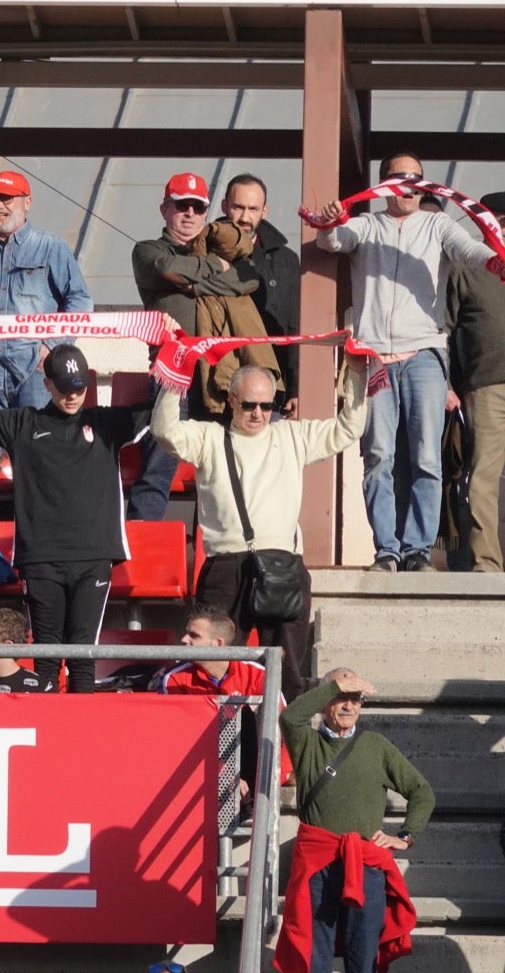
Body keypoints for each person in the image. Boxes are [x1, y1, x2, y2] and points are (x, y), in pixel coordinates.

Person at [0, 336, 151, 692]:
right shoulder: (23, 424)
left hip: (93, 557)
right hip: (42, 559)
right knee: (47, 658)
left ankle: (80, 744)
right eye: (64, 388)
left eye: (79, 387)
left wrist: (164, 351)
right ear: (46, 383)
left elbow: (159, 407)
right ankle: (48, 740)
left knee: (83, 656)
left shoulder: (107, 424)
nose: (72, 396)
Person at [316, 152, 498, 572]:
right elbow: (332, 240)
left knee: (427, 458)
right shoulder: (367, 225)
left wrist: (493, 259)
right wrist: (327, 221)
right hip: (374, 356)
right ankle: (387, 549)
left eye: (418, 178)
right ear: (384, 187)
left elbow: (468, 250)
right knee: (378, 455)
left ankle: (417, 549)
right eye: (402, 178)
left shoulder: (437, 225)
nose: (412, 185)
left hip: (424, 355)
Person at [151, 358, 367, 701]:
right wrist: (173, 377)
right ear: (231, 401)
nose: (258, 413)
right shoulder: (209, 436)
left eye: (267, 405)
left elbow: (349, 428)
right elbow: (164, 431)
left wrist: (356, 373)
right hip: (226, 566)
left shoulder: (291, 434)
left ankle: (283, 750)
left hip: (282, 567)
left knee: (285, 674)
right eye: (249, 404)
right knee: (211, 667)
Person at [0, 170, 93, 521]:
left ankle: (39, 546)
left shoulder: (50, 247)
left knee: (38, 465)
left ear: (27, 202)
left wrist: (53, 344)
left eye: (7, 199)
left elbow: (81, 300)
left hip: (35, 376)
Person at [275, 669, 433, 973]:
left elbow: (422, 792)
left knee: (362, 955)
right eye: (340, 697)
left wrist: (405, 835)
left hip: (365, 863)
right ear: (324, 702)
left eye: (355, 698)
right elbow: (290, 717)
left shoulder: (375, 745)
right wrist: (334, 685)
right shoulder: (306, 742)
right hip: (316, 863)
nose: (349, 706)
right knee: (314, 953)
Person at [128, 173, 261, 521]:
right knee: (157, 466)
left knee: (221, 470)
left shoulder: (226, 250)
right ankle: (137, 551)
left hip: (219, 373)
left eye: (197, 207)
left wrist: (191, 278)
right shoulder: (147, 250)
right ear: (164, 209)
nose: (189, 214)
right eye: (180, 205)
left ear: (206, 213)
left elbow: (247, 281)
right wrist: (214, 268)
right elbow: (165, 268)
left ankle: (218, 554)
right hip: (172, 375)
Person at [150, 608, 281, 803]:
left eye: (193, 635)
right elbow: (183, 739)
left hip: (251, 768)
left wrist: (277, 777)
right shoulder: (175, 678)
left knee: (245, 715)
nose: (184, 640)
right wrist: (225, 774)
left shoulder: (257, 674)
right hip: (198, 769)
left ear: (217, 643)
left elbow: (282, 729)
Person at [447, 190, 505, 572]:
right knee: (483, 473)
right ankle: (487, 563)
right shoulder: (463, 267)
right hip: (485, 383)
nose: (501, 226)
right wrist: (447, 384)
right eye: (494, 220)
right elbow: (444, 330)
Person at [222, 173, 302, 416]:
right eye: (238, 207)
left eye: (253, 209)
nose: (245, 217)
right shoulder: (202, 251)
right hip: (218, 379)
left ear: (264, 211)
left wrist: (296, 388)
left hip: (270, 386)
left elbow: (293, 326)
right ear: (224, 206)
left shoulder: (286, 260)